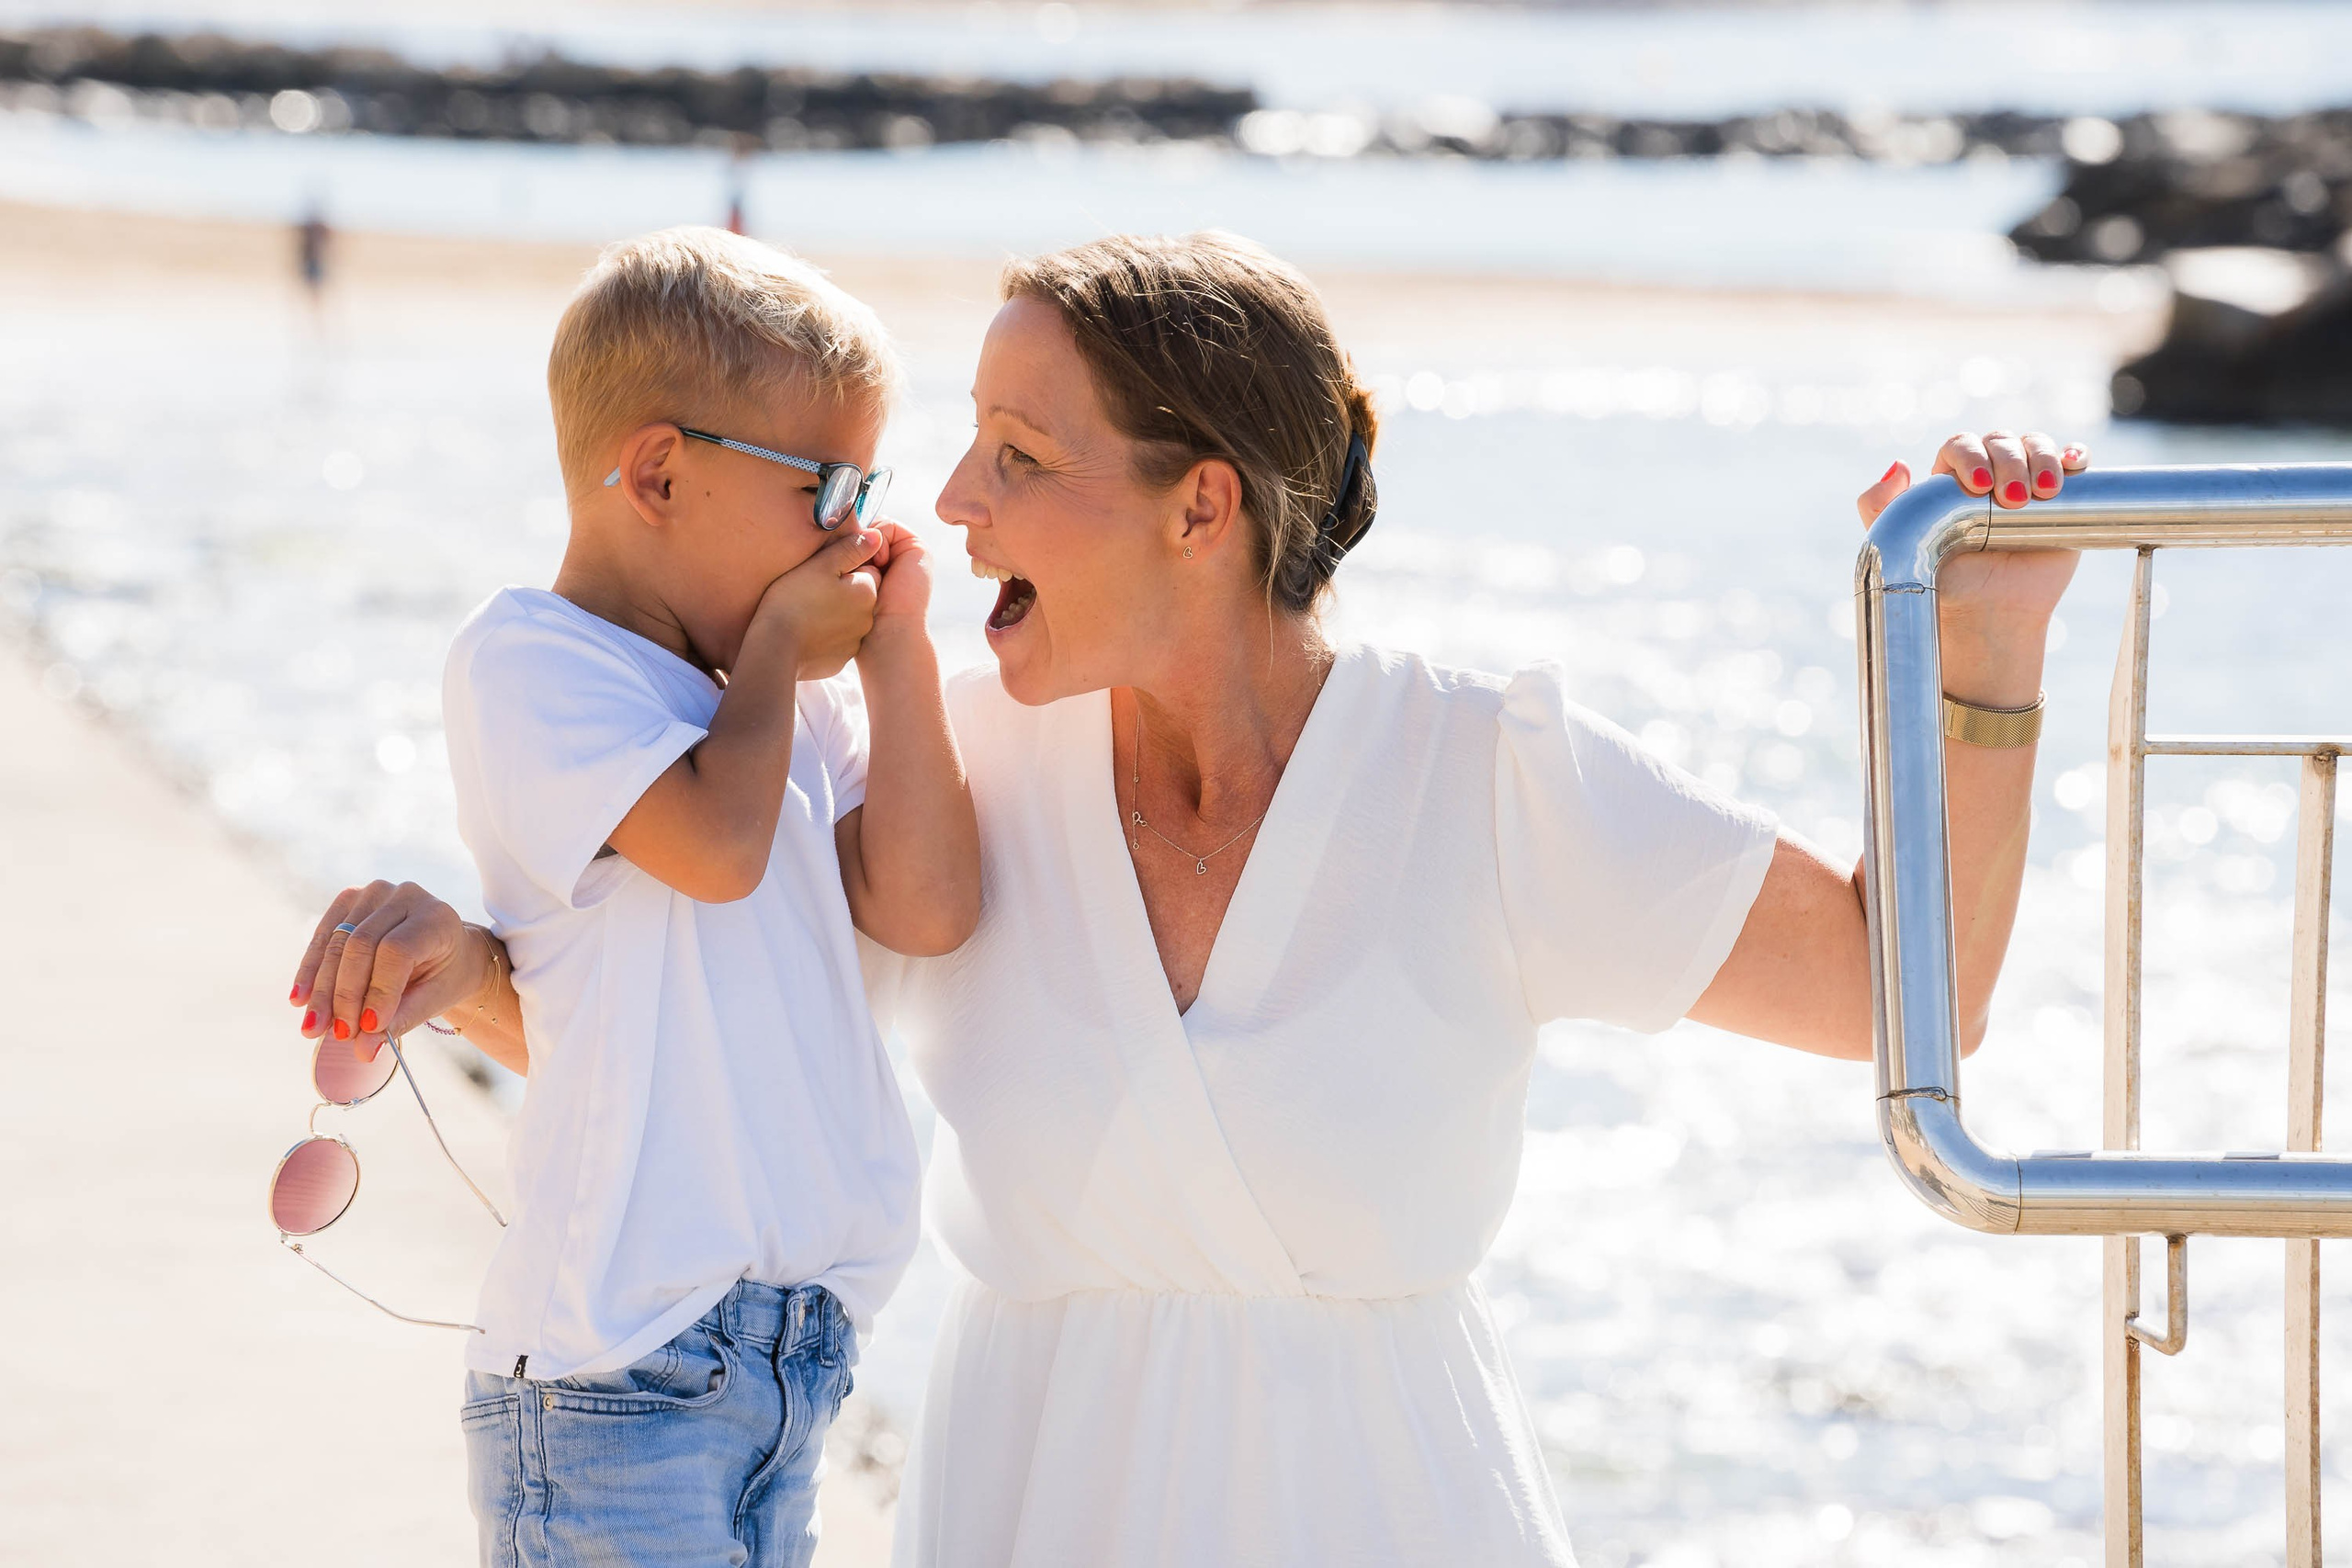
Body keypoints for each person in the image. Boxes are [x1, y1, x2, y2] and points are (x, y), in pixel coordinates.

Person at [294, 231, 2083, 1566]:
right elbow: (701, 1038)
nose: (945, 504)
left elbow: (1897, 994)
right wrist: (468, 966)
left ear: (1199, 508)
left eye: (1016, 454)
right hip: (1023, 1510)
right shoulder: (942, 756)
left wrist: (1982, 663)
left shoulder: (1484, 773)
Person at [289, 227, 980, 1568]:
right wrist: (779, 653)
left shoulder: (791, 710)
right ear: (659, 472)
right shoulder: (534, 663)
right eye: (828, 487)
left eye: (867, 492)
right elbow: (715, 851)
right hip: (620, 1374)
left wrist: (895, 653)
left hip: (790, 1361)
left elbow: (929, 906)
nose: (851, 532)